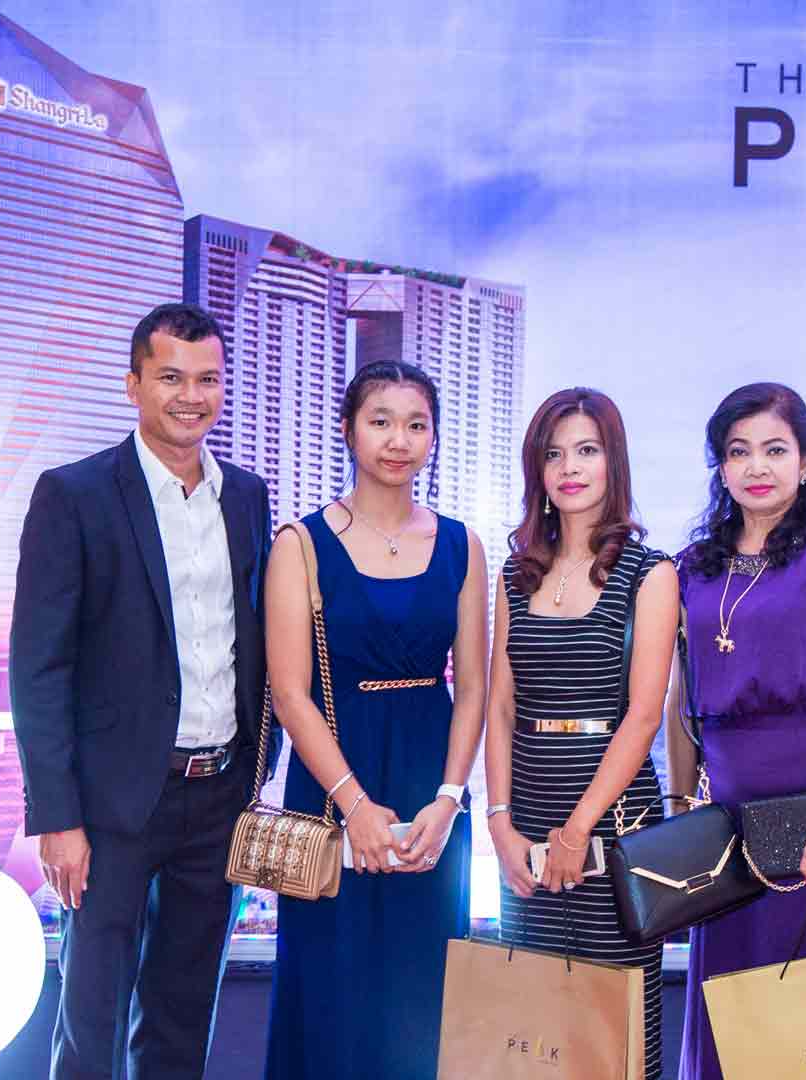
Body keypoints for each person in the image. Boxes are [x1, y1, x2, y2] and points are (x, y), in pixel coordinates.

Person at [9, 302, 271, 1079]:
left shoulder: (247, 496)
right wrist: (57, 817)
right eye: (170, 378)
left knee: (181, 1022)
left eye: (207, 379)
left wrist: (257, 774)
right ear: (134, 385)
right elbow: (39, 667)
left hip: (220, 795)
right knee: (91, 1022)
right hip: (109, 806)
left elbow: (255, 642)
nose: (191, 396)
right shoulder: (74, 494)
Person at [262, 360, 487, 1080]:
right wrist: (354, 805)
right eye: (381, 421)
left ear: (434, 438)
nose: (399, 440)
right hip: (333, 791)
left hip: (431, 796)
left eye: (416, 425)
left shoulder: (461, 545)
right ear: (349, 431)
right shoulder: (300, 544)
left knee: (424, 997)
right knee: (332, 992)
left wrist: (449, 800)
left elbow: (473, 687)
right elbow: (290, 693)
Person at [668, 382, 806, 1080]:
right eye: (739, 452)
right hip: (728, 815)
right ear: (721, 466)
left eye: (774, 449)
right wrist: (679, 811)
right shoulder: (693, 565)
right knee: (731, 1007)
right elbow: (681, 697)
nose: (757, 466)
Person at [484, 387, 679, 1080]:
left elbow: (644, 715)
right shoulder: (516, 574)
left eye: (587, 451)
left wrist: (577, 830)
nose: (569, 468)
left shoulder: (650, 572)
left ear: (612, 462)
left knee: (612, 1024)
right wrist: (499, 820)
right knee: (535, 1029)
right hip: (527, 822)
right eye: (554, 454)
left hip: (613, 822)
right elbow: (500, 707)